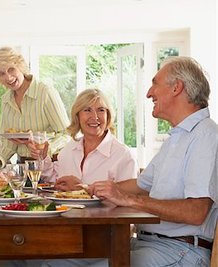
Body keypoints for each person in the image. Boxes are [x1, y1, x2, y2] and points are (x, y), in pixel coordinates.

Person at [86, 57, 217, 266]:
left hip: (179, 251)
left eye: (155, 83)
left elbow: (196, 212)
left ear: (176, 87)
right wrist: (88, 191)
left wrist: (130, 200)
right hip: (146, 244)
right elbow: (139, 186)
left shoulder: (205, 136)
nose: (149, 93)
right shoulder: (177, 137)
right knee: (57, 261)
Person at [0, 47, 69, 172]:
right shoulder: (6, 101)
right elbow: (8, 143)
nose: (8, 77)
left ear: (20, 66)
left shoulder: (45, 93)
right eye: (1, 73)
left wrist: (46, 148)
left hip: (51, 166)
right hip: (23, 167)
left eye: (11, 69)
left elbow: (66, 133)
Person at [40, 88, 138, 190]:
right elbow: (56, 180)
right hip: (66, 206)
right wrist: (42, 157)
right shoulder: (70, 148)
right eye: (87, 110)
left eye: (101, 110)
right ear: (77, 116)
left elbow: (129, 199)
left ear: (108, 116)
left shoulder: (123, 155)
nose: (94, 117)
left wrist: (83, 189)